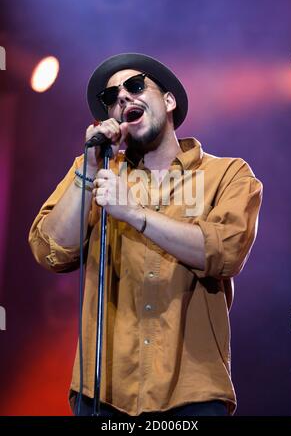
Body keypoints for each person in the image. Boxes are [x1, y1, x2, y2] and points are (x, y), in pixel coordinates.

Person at [29, 53, 263, 417]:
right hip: (102, 392)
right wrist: (90, 169)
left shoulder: (227, 174)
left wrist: (135, 214)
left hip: (192, 393)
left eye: (135, 86)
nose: (122, 98)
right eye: (111, 97)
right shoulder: (95, 171)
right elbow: (51, 251)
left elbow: (226, 251)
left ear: (168, 101)